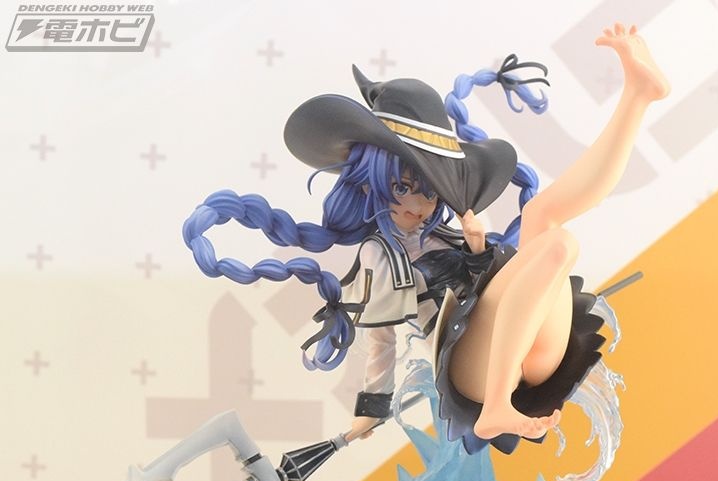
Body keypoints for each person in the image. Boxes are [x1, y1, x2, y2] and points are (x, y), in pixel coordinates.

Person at [183, 23, 669, 457]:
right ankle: (497, 404)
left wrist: (476, 251)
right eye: (402, 187)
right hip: (473, 370)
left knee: (546, 223)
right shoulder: (379, 254)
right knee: (557, 243)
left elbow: (487, 290)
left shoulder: (445, 234)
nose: (418, 204)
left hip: (530, 354)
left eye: (430, 190)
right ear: (371, 186)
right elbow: (382, 341)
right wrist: (369, 413)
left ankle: (637, 97)